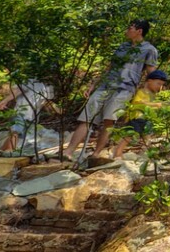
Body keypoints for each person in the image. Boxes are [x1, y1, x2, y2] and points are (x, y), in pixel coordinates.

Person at [61, 20, 158, 162]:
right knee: (87, 118)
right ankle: (68, 152)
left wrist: (147, 95)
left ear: (139, 31)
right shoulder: (122, 46)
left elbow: (152, 74)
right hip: (105, 86)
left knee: (109, 121)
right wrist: (93, 84)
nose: (126, 30)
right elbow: (110, 67)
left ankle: (96, 154)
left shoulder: (149, 49)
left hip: (125, 89)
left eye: (130, 28)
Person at [106, 68, 168, 161]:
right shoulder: (142, 92)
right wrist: (155, 104)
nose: (160, 87)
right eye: (158, 83)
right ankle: (118, 152)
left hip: (146, 118)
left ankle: (146, 154)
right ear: (149, 81)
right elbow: (137, 102)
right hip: (137, 117)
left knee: (147, 135)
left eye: (162, 85)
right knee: (129, 136)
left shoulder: (153, 94)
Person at [0, 77, 57, 155]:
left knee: (18, 134)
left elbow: (47, 102)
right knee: (16, 131)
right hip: (20, 111)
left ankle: (0, 151)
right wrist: (5, 101)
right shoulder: (30, 80)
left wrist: (56, 109)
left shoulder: (49, 86)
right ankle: (9, 152)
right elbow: (17, 91)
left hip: (32, 117)